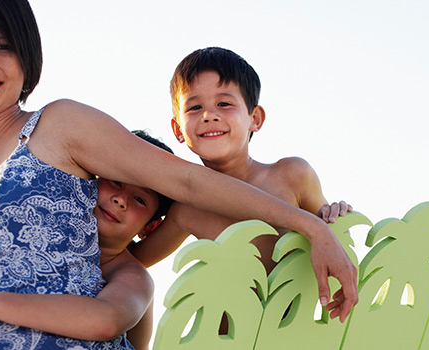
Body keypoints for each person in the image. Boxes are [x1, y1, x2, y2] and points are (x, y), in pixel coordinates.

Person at [0, 1, 357, 349]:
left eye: (5, 47)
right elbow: (120, 254)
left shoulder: (59, 125)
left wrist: (314, 227)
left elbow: (183, 184)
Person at [129, 46, 353, 316]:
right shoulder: (186, 209)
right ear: (178, 129)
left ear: (255, 119)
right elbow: (132, 260)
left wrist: (335, 217)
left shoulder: (292, 176)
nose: (208, 115)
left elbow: (334, 245)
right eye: (195, 107)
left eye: (224, 104)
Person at [0, 131, 170, 350]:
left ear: (149, 227)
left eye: (140, 200)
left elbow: (108, 320)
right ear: (93, 176)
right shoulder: (34, 234)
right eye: (116, 181)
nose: (120, 199)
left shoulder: (132, 275)